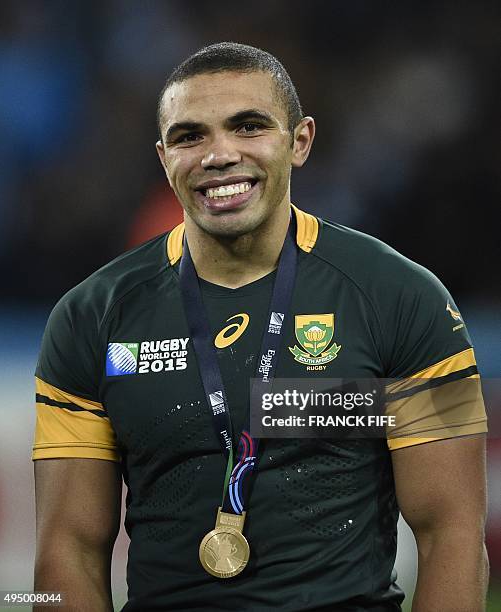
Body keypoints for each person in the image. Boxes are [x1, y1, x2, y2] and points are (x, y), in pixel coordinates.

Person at [33, 42, 488, 611]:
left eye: (248, 127)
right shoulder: (89, 318)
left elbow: (452, 535)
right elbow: (66, 551)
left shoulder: (404, 300)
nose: (219, 155)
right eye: (189, 136)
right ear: (163, 157)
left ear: (299, 141)